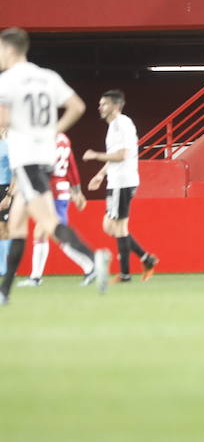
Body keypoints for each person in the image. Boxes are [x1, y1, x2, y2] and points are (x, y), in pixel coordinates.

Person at [0, 28, 109, 302]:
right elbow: (77, 106)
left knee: (48, 222)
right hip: (45, 158)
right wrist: (53, 130)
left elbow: (3, 120)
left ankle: (94, 260)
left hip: (27, 160)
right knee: (16, 225)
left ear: (10, 49)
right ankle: (4, 292)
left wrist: (16, 130)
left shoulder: (8, 81)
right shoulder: (47, 76)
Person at [83, 90, 158, 283]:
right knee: (112, 226)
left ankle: (126, 273)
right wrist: (100, 174)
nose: (100, 107)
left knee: (118, 228)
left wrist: (96, 155)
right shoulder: (115, 126)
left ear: (115, 106)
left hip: (122, 182)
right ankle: (145, 259)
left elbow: (123, 155)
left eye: (104, 104)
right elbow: (116, 155)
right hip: (118, 181)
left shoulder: (121, 124)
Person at [21, 130, 87, 287]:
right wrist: (77, 191)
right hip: (62, 189)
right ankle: (35, 278)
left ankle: (90, 266)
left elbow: (43, 169)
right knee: (41, 233)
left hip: (52, 191)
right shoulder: (63, 138)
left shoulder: (44, 139)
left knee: (58, 235)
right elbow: (71, 166)